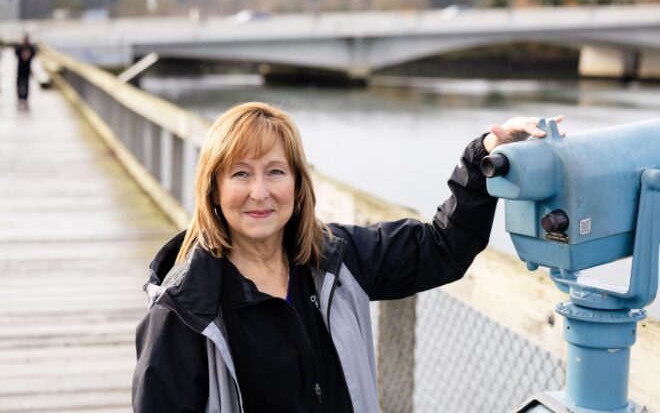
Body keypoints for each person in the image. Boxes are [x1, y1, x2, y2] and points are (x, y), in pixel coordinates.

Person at [132, 102, 562, 412]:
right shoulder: (184, 312)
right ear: (213, 189)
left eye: (276, 172)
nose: (259, 193)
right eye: (240, 173)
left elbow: (442, 248)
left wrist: (487, 151)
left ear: (299, 185)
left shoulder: (336, 259)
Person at [15, 35, 36, 107]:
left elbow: (34, 53)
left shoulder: (30, 47)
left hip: (27, 68)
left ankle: (25, 97)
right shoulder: (20, 47)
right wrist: (22, 55)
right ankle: (19, 96)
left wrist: (28, 55)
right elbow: (16, 52)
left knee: (27, 83)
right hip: (20, 68)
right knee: (19, 82)